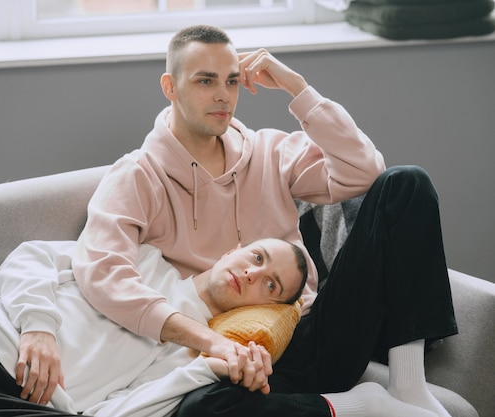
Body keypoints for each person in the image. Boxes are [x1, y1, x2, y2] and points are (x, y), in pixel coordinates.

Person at [58, 24, 457, 417]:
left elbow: (364, 172)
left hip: (316, 330)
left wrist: (297, 88)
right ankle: (361, 406)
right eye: (205, 81)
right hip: (241, 356)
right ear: (170, 86)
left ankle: (409, 387)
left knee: (406, 183)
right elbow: (102, 272)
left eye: (232, 82)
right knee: (201, 410)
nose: (222, 96)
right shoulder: (138, 175)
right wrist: (202, 338)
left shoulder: (268, 150)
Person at [0, 237, 308, 417]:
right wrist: (38, 327)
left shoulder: (189, 359)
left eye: (271, 285)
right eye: (256, 257)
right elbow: (33, 257)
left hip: (11, 403)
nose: (253, 274)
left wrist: (207, 370)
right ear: (235, 248)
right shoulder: (140, 257)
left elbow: (112, 414)